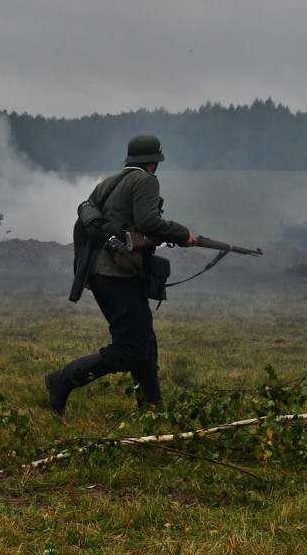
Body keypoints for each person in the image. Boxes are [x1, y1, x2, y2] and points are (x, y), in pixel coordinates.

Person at [45, 135, 196, 416]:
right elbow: (150, 221)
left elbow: (83, 226)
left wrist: (82, 269)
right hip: (120, 275)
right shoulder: (146, 181)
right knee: (131, 349)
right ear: (154, 161)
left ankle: (153, 411)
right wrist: (182, 233)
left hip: (104, 273)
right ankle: (63, 380)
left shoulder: (108, 183)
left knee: (145, 344)